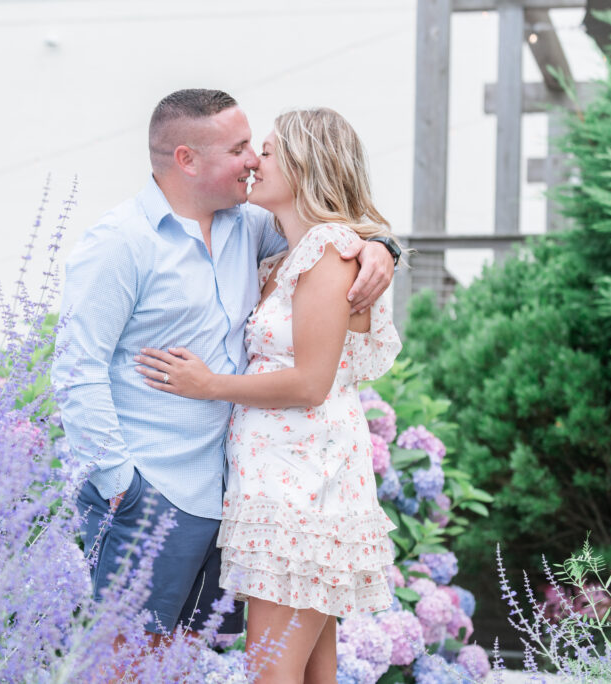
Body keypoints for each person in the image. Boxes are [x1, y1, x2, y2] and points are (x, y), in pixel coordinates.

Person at [51, 90, 398, 651]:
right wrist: (120, 485)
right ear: (186, 159)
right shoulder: (121, 242)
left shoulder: (250, 227)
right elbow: (76, 370)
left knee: (186, 663)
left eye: (257, 148)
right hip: (150, 491)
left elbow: (325, 233)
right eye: (240, 149)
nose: (254, 161)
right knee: (124, 662)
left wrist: (380, 247)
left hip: (233, 494)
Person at [134, 107, 401, 682]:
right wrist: (381, 242)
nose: (256, 160)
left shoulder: (329, 252)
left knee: (271, 673)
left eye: (271, 151)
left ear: (308, 166)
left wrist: (208, 386)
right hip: (278, 481)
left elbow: (311, 382)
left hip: (305, 486)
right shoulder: (282, 254)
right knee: (312, 673)